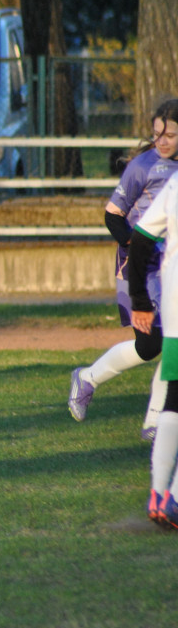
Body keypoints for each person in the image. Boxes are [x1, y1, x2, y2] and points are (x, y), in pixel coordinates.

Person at [68, 99, 178, 440]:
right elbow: (112, 215)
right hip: (141, 267)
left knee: (171, 343)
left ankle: (156, 421)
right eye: (157, 134)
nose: (161, 141)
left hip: (171, 266)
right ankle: (87, 378)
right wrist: (136, 245)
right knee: (151, 345)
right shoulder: (142, 167)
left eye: (170, 135)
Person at [126, 157, 178, 529]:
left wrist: (140, 300)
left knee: (175, 395)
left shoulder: (175, 184)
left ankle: (159, 494)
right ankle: (173, 498)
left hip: (175, 310)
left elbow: (141, 239)